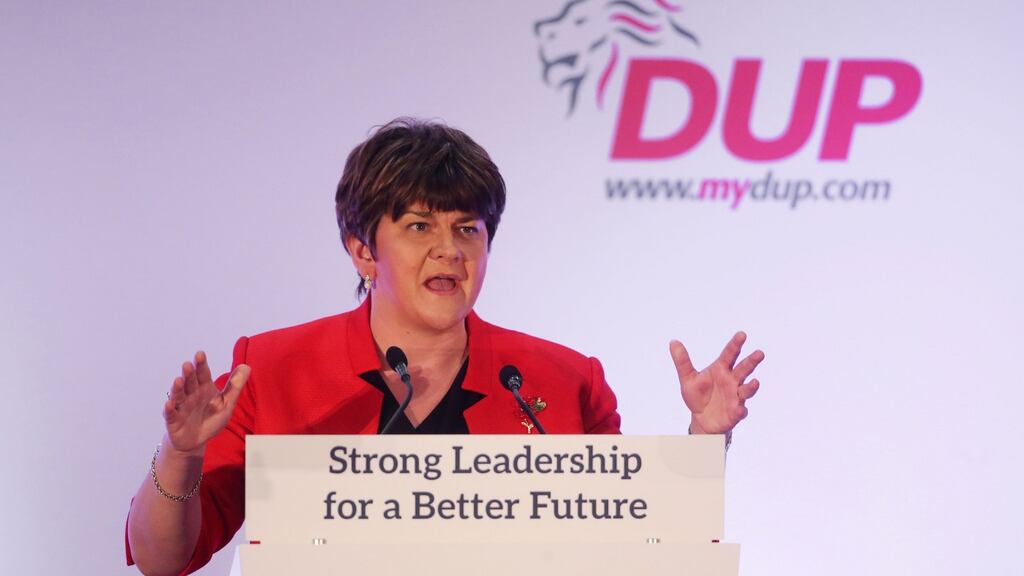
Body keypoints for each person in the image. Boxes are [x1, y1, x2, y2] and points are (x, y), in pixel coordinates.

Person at [125, 118, 764, 575]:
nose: (450, 250)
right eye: (419, 226)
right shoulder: (272, 369)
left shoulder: (561, 380)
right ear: (362, 250)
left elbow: (644, 550)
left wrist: (706, 440)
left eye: (468, 228)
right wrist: (182, 452)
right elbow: (164, 560)